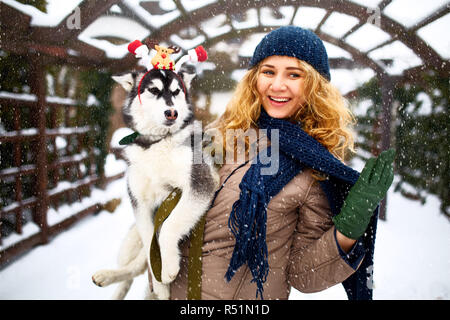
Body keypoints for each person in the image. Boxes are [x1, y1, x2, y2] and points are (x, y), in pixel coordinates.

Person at [166, 26, 395, 300]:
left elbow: (302, 275)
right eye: (268, 71)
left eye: (294, 74)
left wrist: (346, 233)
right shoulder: (228, 131)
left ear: (314, 86)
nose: (277, 85)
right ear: (254, 78)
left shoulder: (315, 167)